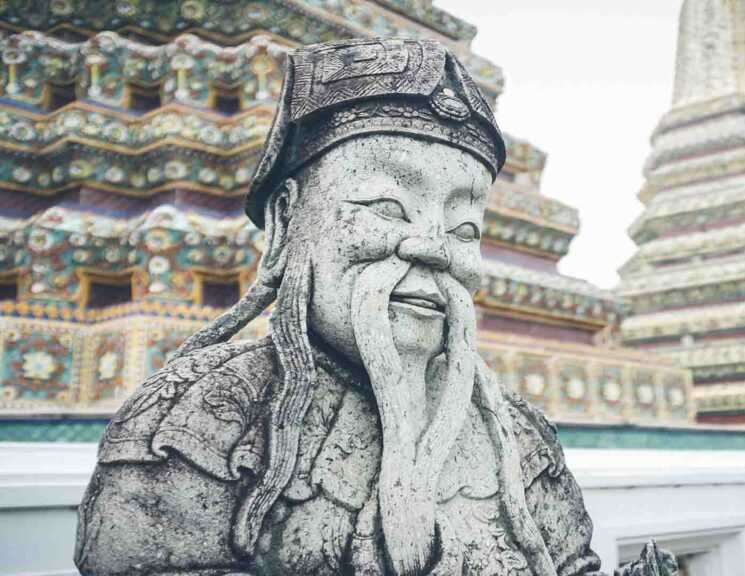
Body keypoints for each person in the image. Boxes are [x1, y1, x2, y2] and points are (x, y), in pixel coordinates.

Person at [75, 37, 676, 576]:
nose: (433, 248)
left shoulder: (516, 435)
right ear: (287, 223)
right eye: (389, 206)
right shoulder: (202, 418)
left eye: (464, 228)